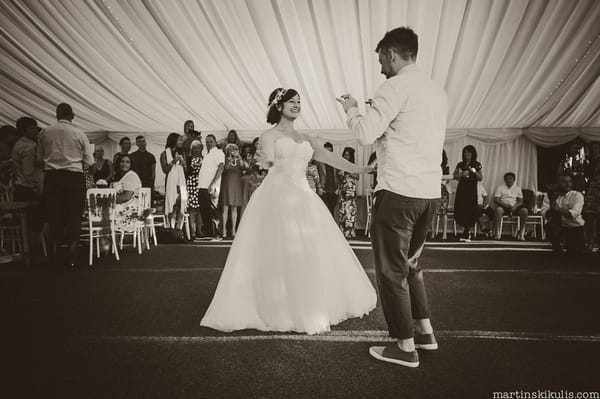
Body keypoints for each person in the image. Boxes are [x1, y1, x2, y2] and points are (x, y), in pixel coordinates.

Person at [201, 88, 376, 335]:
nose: (296, 105)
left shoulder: (307, 138)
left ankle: (308, 302)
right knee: (275, 250)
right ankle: (275, 306)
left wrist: (360, 170)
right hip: (275, 195)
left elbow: (327, 157)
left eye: (299, 101)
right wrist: (266, 161)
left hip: (304, 196)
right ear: (278, 106)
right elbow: (267, 160)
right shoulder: (268, 135)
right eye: (291, 101)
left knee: (308, 251)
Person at [337, 26, 446, 367]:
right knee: (412, 265)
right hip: (430, 193)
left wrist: (353, 108)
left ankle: (404, 347)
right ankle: (425, 333)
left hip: (399, 192)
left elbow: (365, 134)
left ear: (392, 54)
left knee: (391, 271)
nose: (380, 65)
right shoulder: (436, 91)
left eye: (381, 57)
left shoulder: (393, 87)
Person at [37, 103, 94, 269]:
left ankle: (54, 256)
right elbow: (89, 161)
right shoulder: (79, 133)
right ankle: (72, 257)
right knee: (74, 216)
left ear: (56, 115)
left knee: (54, 216)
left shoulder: (45, 132)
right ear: (73, 115)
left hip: (52, 178)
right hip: (74, 178)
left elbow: (39, 157)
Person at [541, 173, 585, 254]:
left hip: (574, 226)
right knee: (551, 224)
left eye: (569, 181)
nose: (568, 184)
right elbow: (544, 212)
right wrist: (552, 206)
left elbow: (575, 213)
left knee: (574, 253)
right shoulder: (549, 195)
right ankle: (556, 246)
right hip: (558, 227)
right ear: (557, 183)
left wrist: (558, 209)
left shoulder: (577, 195)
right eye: (564, 182)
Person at [197, 134, 224, 241]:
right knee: (205, 211)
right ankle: (208, 232)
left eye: (210, 141)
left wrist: (213, 183)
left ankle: (218, 234)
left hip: (212, 186)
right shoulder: (206, 154)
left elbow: (221, 168)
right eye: (207, 141)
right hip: (202, 186)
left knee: (214, 211)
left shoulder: (218, 152)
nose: (208, 143)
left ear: (215, 142)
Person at [453, 145, 483, 242]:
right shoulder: (460, 164)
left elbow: (480, 178)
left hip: (471, 190)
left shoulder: (477, 164)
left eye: (469, 152)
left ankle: (468, 232)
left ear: (473, 153)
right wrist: (461, 174)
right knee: (461, 209)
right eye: (465, 152)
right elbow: (455, 176)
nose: (467, 154)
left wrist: (473, 171)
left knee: (470, 209)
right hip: (462, 189)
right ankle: (464, 231)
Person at [12, 117, 43, 202]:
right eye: (31, 128)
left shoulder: (18, 144)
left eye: (35, 128)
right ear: (23, 131)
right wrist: (37, 190)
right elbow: (28, 172)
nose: (35, 131)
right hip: (29, 190)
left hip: (20, 187)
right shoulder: (30, 147)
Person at [160, 133, 187, 229]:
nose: (182, 142)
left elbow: (186, 171)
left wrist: (183, 164)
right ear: (173, 141)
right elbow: (165, 170)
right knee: (172, 205)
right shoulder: (164, 154)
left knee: (182, 206)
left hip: (182, 184)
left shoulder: (182, 153)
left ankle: (179, 229)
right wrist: (173, 161)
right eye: (180, 140)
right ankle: (171, 230)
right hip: (171, 183)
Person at [493, 172, 529, 240]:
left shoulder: (518, 188)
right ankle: (497, 233)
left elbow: (520, 201)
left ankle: (521, 233)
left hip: (515, 207)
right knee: (498, 210)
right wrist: (505, 205)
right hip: (503, 206)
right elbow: (496, 200)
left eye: (510, 178)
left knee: (525, 211)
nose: (508, 180)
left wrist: (515, 206)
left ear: (514, 180)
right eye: (507, 179)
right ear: (504, 180)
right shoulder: (500, 187)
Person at [112, 155, 143, 232]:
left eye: (127, 162)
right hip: (129, 206)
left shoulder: (131, 175)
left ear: (131, 164)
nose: (124, 164)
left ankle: (107, 240)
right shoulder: (125, 175)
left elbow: (126, 197)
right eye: (122, 161)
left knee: (103, 211)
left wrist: (110, 200)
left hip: (130, 209)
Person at [220, 143, 243, 239]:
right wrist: (229, 159)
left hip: (236, 185)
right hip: (226, 185)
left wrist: (239, 156)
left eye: (234, 149)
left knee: (234, 208)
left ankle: (233, 230)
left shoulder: (238, 159)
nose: (232, 151)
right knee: (225, 208)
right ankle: (224, 230)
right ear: (227, 150)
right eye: (230, 149)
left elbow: (244, 166)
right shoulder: (225, 159)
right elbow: (226, 168)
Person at [337, 147, 359, 238]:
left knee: (350, 212)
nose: (346, 156)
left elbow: (357, 177)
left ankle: (350, 233)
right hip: (343, 190)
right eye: (345, 155)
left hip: (351, 191)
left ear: (351, 156)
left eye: (348, 155)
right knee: (343, 211)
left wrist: (349, 172)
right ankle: (342, 232)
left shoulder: (354, 165)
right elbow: (338, 178)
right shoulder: (340, 165)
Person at [583, 142, 600, 251]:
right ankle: (590, 241)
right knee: (590, 217)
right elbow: (587, 175)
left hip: (595, 190)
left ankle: (594, 242)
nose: (595, 150)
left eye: (597, 148)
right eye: (593, 148)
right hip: (593, 191)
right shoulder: (591, 161)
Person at [431, 150, 452, 240]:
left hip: (443, 191)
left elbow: (447, 179)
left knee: (444, 212)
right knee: (433, 213)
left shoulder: (446, 167)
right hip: (433, 190)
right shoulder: (432, 165)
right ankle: (432, 233)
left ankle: (444, 233)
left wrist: (439, 179)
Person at [186, 140, 203, 239]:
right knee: (192, 209)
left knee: (200, 208)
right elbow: (187, 171)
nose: (196, 149)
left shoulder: (204, 158)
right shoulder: (188, 159)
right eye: (194, 148)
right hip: (191, 183)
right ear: (191, 149)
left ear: (201, 148)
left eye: (198, 147)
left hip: (201, 183)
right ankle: (192, 231)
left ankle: (199, 230)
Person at [316, 142, 338, 215]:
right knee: (325, 211)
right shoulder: (319, 162)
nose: (327, 153)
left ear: (332, 151)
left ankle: (331, 226)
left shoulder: (336, 162)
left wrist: (338, 189)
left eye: (329, 151)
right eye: (326, 151)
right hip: (324, 190)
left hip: (334, 191)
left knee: (332, 211)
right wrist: (319, 188)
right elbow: (316, 175)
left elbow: (339, 176)